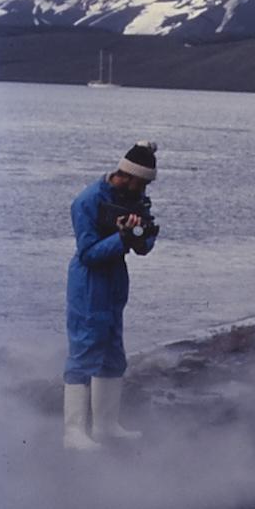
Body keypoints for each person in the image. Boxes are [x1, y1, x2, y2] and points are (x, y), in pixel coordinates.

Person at [62, 141, 159, 450]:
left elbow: (143, 245)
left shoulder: (133, 199)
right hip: (88, 282)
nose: (143, 189)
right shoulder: (87, 201)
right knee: (84, 350)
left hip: (114, 278)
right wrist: (122, 238)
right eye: (142, 182)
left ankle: (105, 426)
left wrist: (140, 237)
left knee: (113, 352)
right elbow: (88, 253)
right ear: (128, 175)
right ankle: (73, 432)